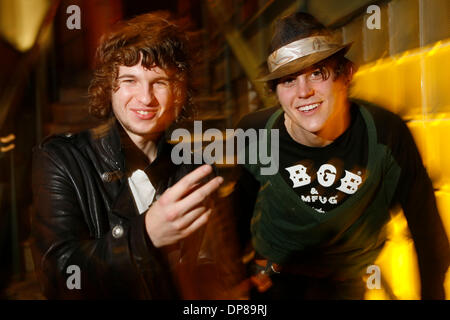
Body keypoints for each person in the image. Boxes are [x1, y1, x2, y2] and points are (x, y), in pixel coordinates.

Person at [234, 12, 450, 299]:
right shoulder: (257, 133)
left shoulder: (385, 134)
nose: (304, 92)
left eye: (317, 73)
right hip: (271, 279)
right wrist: (232, 275)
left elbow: (427, 232)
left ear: (346, 75)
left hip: (343, 284)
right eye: (288, 80)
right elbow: (241, 209)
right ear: (276, 92)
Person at [31, 12, 233, 299]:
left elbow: (213, 273)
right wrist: (144, 236)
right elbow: (61, 277)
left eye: (160, 82)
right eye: (129, 80)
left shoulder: (194, 166)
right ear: (108, 87)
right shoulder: (62, 159)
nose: (145, 98)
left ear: (178, 91)